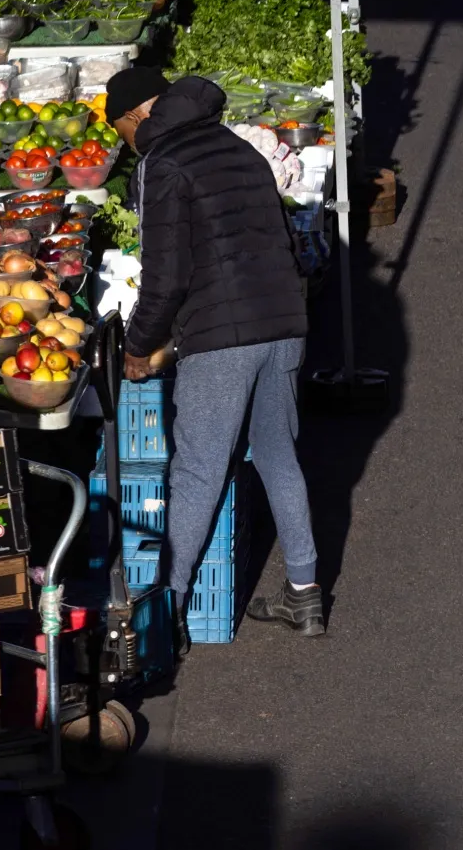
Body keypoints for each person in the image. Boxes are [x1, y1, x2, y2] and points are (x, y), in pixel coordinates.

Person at [108, 67, 325, 646]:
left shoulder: (163, 163)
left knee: (199, 469)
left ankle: (169, 612)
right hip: (283, 322)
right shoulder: (235, 146)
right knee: (279, 456)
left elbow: (165, 276)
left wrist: (137, 345)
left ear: (134, 117)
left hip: (221, 336)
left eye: (121, 133)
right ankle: (305, 594)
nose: (127, 147)